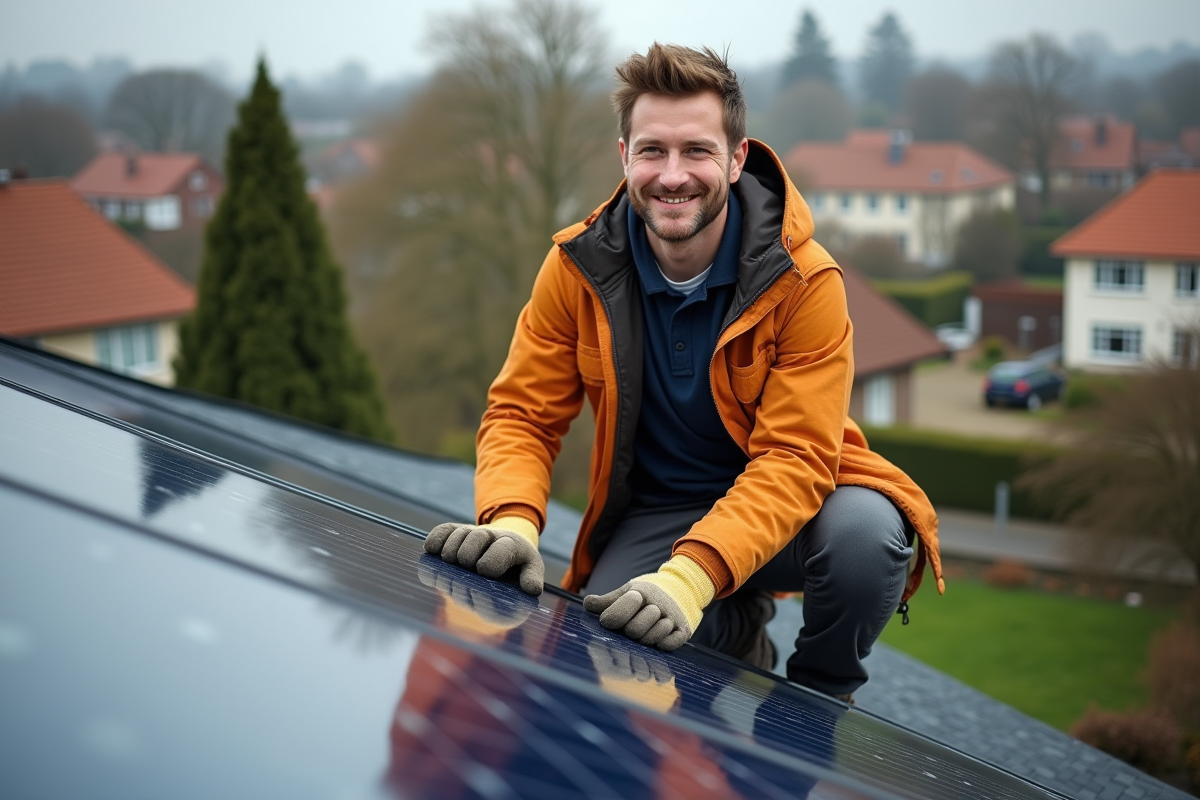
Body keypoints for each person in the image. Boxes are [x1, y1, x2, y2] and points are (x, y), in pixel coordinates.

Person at [425, 43, 944, 700]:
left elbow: (793, 460)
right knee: (606, 652)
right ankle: (735, 627)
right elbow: (522, 414)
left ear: (736, 158)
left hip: (794, 512)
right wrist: (511, 521)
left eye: (697, 150)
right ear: (624, 157)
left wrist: (688, 579)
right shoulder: (577, 267)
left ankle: (815, 704)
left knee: (867, 537)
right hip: (657, 514)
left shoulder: (805, 282)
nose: (672, 175)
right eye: (653, 151)